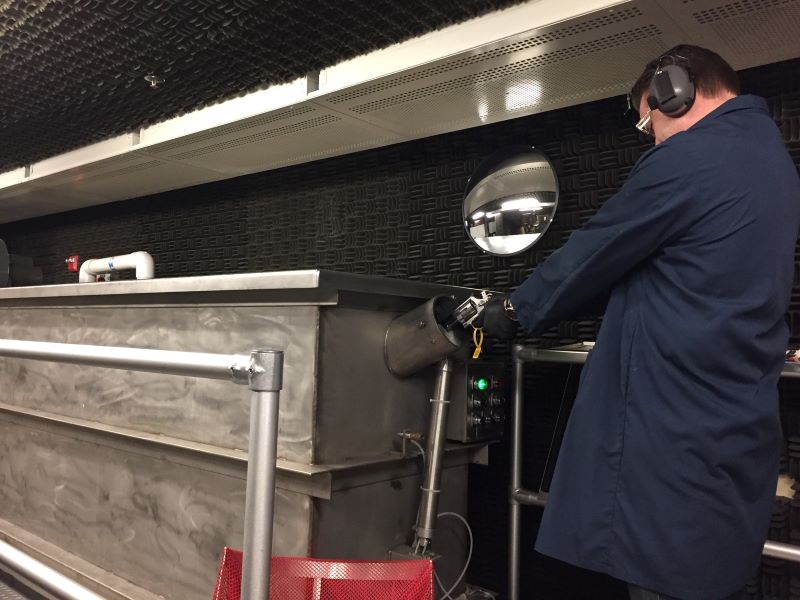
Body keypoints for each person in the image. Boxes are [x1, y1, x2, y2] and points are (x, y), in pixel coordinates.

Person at [477, 45, 800, 599]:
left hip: (672, 435)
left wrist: (512, 311)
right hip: (726, 432)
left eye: (647, 120)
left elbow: (598, 249)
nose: (650, 135)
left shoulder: (696, 155)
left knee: (662, 578)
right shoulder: (768, 157)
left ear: (674, 91)